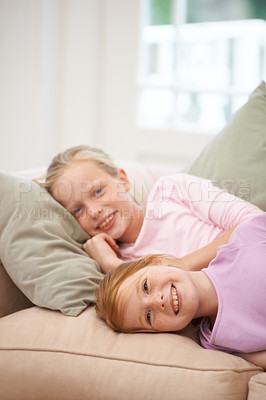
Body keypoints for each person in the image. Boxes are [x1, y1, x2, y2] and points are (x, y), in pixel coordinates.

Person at [42, 145, 263, 273]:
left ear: (123, 179)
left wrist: (178, 266)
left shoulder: (172, 190)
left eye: (98, 192)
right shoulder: (123, 264)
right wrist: (111, 265)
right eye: (77, 211)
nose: (93, 211)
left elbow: (255, 222)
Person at [95, 213, 266, 369]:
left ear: (157, 261)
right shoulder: (214, 342)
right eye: (148, 316)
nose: (157, 301)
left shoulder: (244, 240)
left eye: (146, 287)